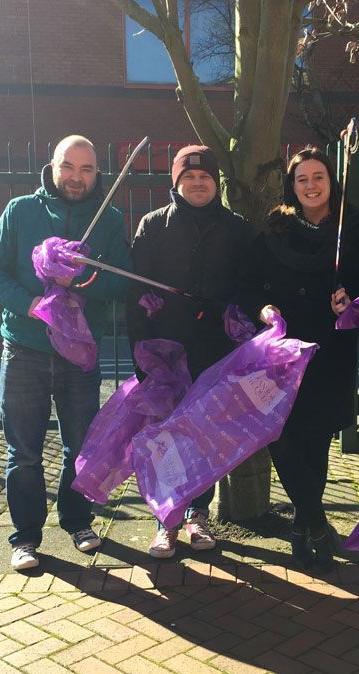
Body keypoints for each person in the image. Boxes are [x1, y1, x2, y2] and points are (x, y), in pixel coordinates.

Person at [0, 134, 131, 571]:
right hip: (24, 349)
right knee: (23, 450)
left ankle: (78, 520)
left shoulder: (110, 220)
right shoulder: (21, 211)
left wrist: (79, 282)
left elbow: (122, 280)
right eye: (69, 166)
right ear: (53, 166)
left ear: (97, 173)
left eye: (86, 169)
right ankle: (25, 536)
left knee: (79, 446)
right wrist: (30, 305)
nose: (76, 177)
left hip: (78, 355)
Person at [244, 148, 359, 572]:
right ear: (292, 184)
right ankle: (316, 521)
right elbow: (249, 287)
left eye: (318, 176)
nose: (311, 186)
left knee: (317, 439)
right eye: (302, 179)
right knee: (280, 436)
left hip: (329, 351)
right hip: (282, 351)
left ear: (331, 180)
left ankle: (304, 532)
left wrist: (353, 302)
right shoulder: (274, 229)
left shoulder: (353, 228)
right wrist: (263, 309)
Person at [126, 144, 256, 559]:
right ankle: (167, 521)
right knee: (165, 438)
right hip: (165, 353)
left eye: (204, 177)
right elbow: (135, 292)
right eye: (188, 177)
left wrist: (240, 317)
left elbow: (251, 285)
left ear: (215, 182)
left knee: (205, 435)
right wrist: (142, 355)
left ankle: (199, 514)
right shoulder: (153, 225)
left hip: (216, 352)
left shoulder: (237, 229)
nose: (197, 183)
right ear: (175, 182)